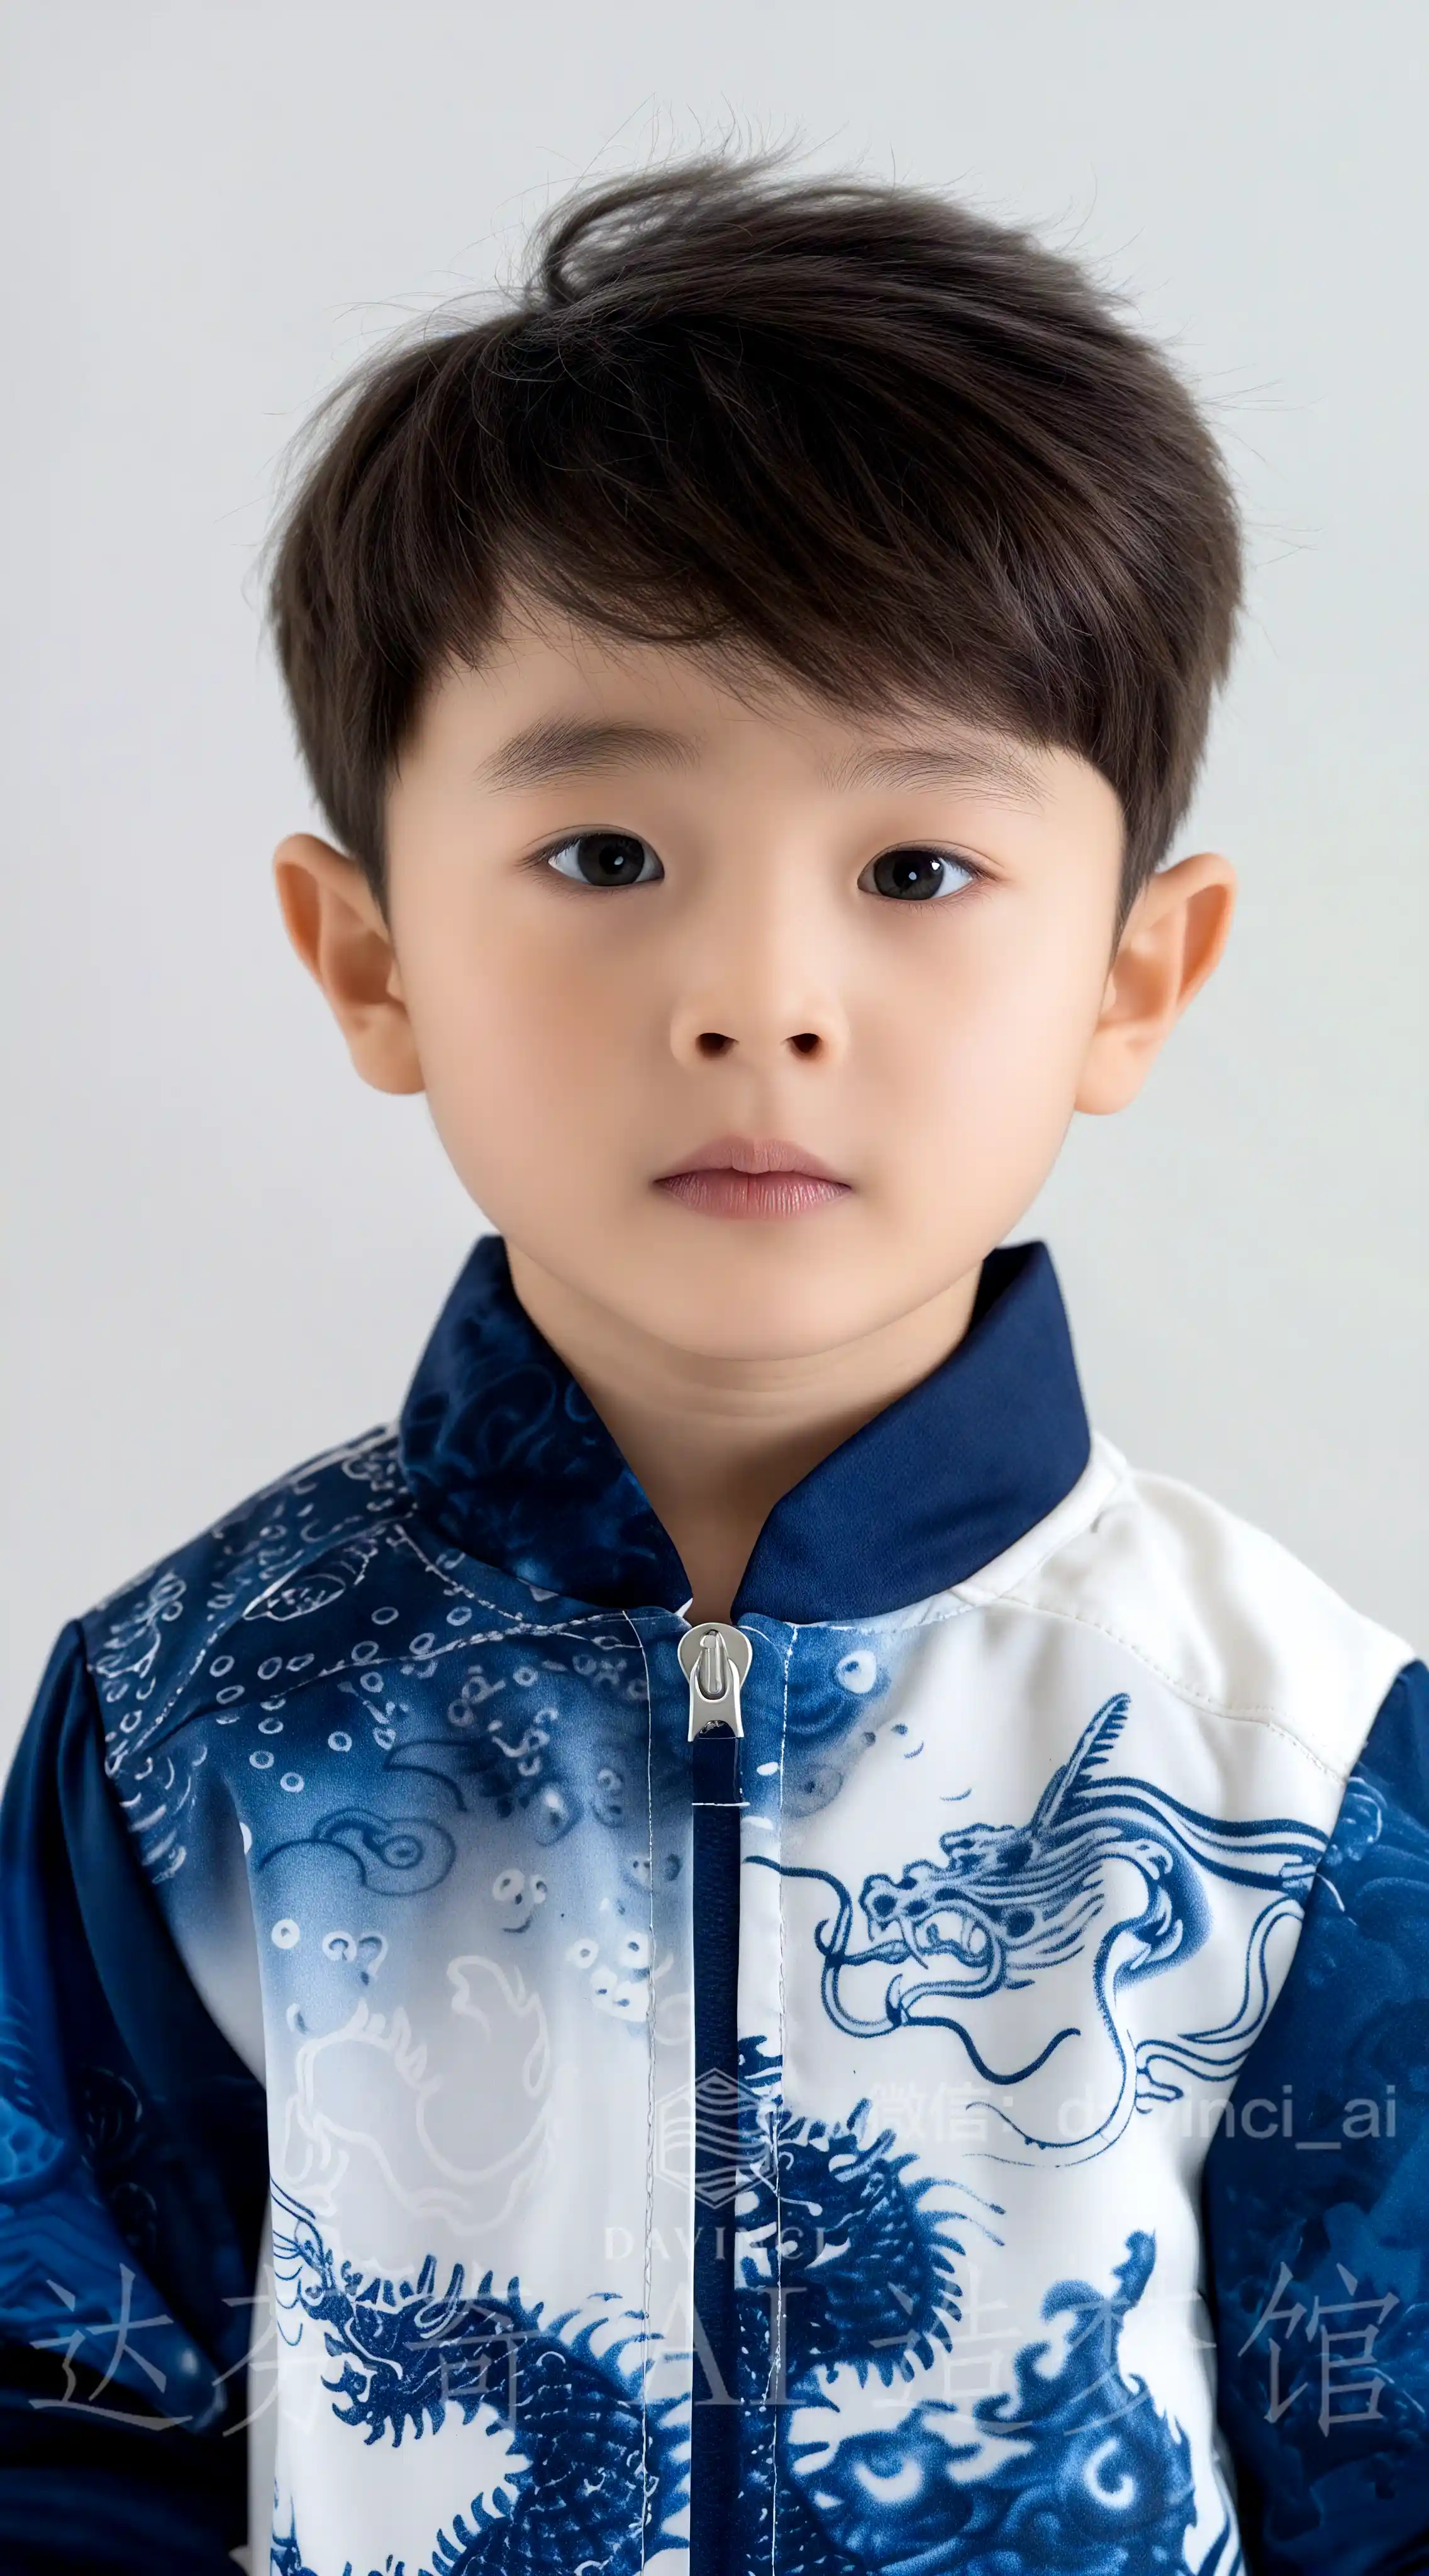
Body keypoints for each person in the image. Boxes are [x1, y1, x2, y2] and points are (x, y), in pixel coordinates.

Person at [1, 147, 1423, 2576]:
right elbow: (65, 2429)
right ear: (370, 957)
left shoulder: (1292, 1753)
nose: (759, 997)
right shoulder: (193, 1721)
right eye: (607, 857)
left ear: (1131, 978)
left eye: (915, 870)